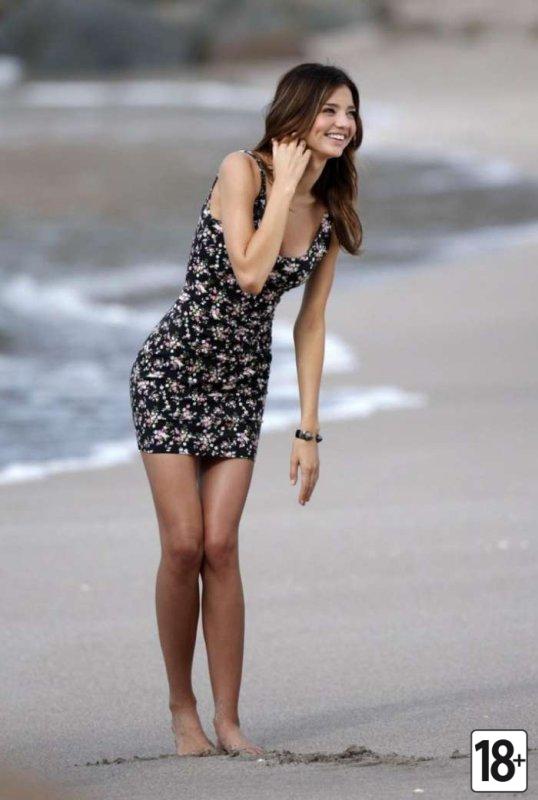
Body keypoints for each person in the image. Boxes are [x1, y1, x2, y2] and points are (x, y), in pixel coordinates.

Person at [129, 62, 363, 757]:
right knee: (183, 545)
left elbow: (310, 324)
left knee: (222, 547)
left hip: (238, 388)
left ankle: (229, 722)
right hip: (172, 373)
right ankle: (183, 712)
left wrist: (309, 429)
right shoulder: (242, 172)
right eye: (328, 110)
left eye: (350, 112)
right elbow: (251, 273)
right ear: (295, 112)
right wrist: (282, 186)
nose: (342, 123)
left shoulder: (330, 214)